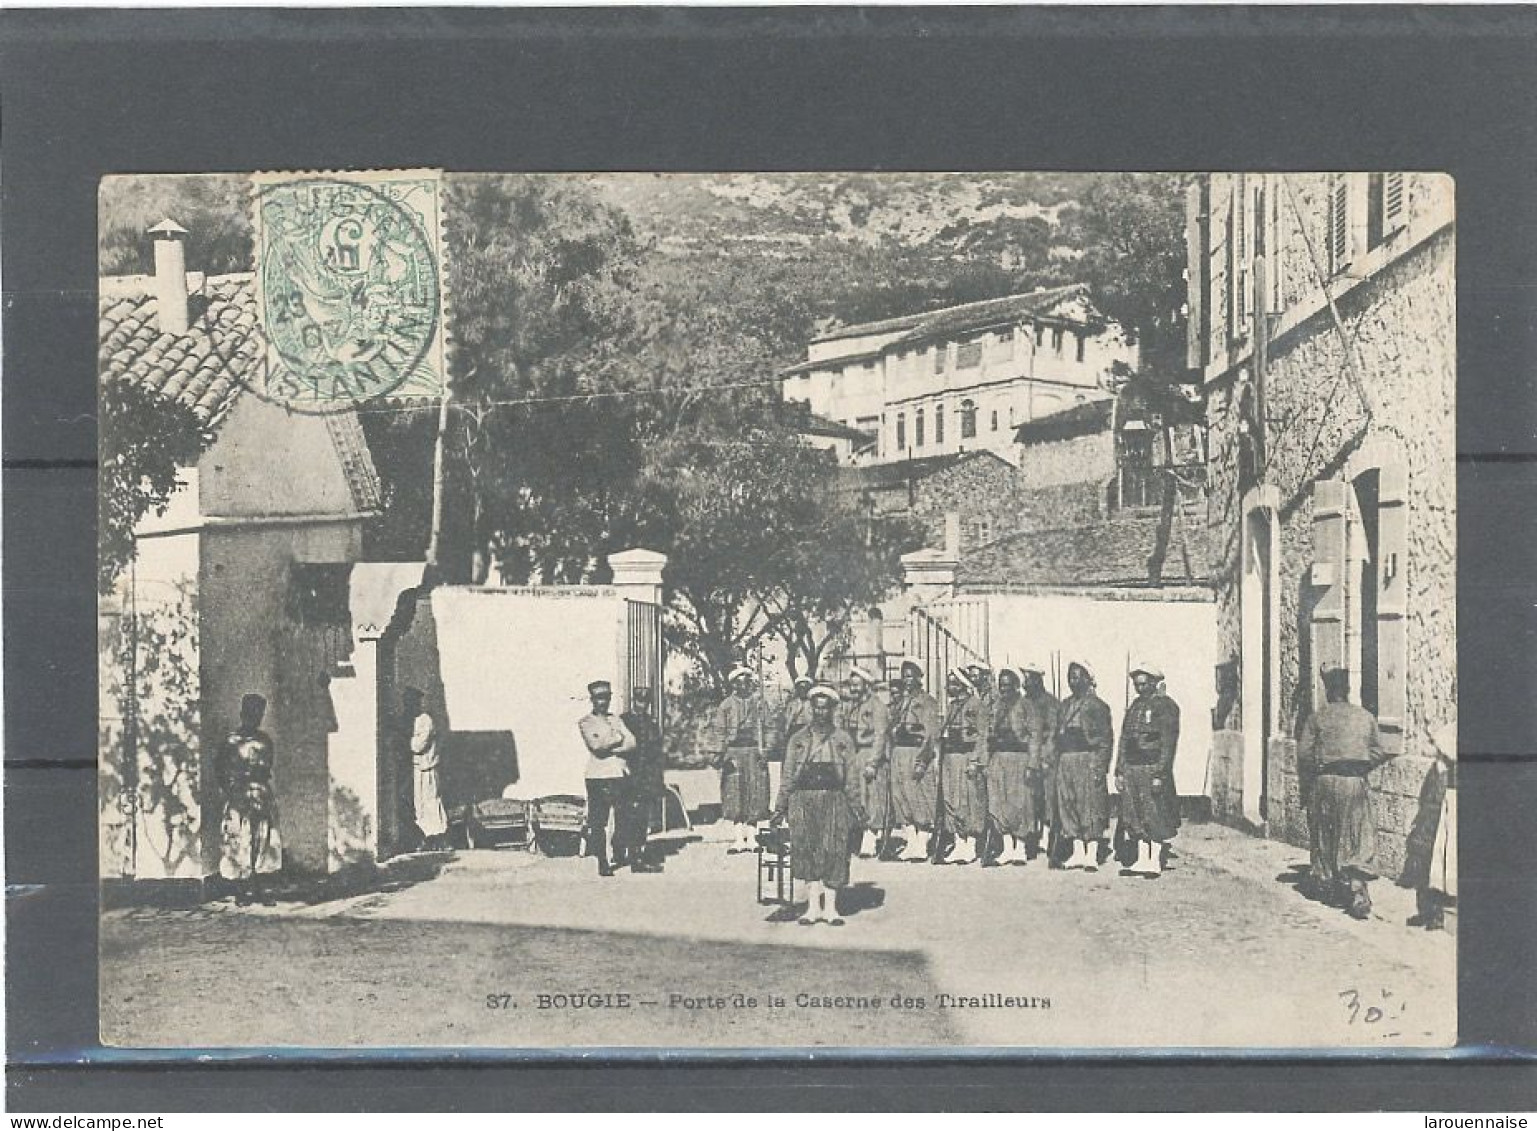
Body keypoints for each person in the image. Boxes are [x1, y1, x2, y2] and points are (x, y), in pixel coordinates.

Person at [1298, 666, 1396, 918]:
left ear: (1329, 690)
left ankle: (1328, 882)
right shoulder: (1364, 717)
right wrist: (1361, 763)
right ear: (1348, 690)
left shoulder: (1317, 717)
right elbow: (1380, 750)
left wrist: (1308, 785)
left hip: (1324, 780)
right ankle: (1356, 886)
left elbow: (1304, 755)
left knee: (1325, 832)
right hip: (1354, 779)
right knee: (1356, 832)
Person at [773, 684, 863, 926]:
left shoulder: (843, 739)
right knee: (807, 849)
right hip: (803, 798)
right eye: (816, 708)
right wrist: (779, 807)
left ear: (833, 709)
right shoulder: (798, 739)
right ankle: (812, 907)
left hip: (834, 798)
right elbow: (788, 774)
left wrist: (857, 807)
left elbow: (852, 776)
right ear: (811, 709)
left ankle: (831, 908)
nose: (820, 713)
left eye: (825, 708)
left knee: (834, 850)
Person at [1114, 663, 1181, 878]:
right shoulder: (1134, 707)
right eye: (1136, 684)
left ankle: (1154, 860)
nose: (1140, 688)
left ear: (1154, 683)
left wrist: (1160, 773)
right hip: (1132, 768)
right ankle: (1142, 859)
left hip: (1151, 767)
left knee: (1154, 813)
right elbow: (1124, 740)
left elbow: (1168, 743)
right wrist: (1120, 770)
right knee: (1134, 813)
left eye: (1144, 684)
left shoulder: (1165, 706)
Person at [217, 693, 283, 906]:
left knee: (262, 838)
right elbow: (219, 767)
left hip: (260, 794)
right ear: (243, 713)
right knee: (240, 838)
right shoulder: (231, 741)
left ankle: (261, 887)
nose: (256, 718)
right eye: (252, 713)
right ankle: (241, 889)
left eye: (259, 714)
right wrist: (230, 789)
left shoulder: (265, 741)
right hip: (239, 795)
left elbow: (267, 765)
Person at [710, 666, 780, 853]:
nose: (743, 685)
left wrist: (766, 749)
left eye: (747, 681)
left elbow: (770, 727)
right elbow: (719, 731)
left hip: (754, 752)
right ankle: (738, 838)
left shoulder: (760, 703)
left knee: (755, 792)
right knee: (735, 793)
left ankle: (752, 838)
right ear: (733, 684)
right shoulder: (726, 705)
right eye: (739, 681)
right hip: (733, 753)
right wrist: (718, 754)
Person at [1055, 662, 1115, 871]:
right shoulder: (1064, 705)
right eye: (1070, 677)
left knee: (1089, 806)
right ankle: (1077, 851)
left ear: (1089, 679)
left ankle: (1092, 853)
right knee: (1068, 805)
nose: (1073, 681)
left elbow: (1106, 740)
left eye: (1078, 677)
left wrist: (1100, 766)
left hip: (1086, 759)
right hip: (1066, 759)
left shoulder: (1098, 706)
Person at [929, 667, 990, 865]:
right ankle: (957, 841)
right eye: (949, 682)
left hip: (966, 756)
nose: (949, 687)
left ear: (963, 685)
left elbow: (982, 736)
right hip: (950, 758)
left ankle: (970, 844)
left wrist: (975, 761)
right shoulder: (952, 707)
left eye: (954, 683)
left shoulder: (976, 705)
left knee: (969, 801)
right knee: (951, 801)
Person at [577, 679, 636, 877]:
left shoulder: (617, 720)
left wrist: (610, 743)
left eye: (607, 698)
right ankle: (602, 861)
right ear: (592, 700)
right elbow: (596, 748)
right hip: (598, 776)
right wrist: (617, 738)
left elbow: (632, 744)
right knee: (598, 822)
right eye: (599, 698)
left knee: (623, 817)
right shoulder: (586, 722)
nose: (603, 702)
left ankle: (619, 852)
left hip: (619, 774)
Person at [889, 660, 940, 862]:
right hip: (899, 752)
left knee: (919, 798)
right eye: (904, 676)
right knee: (901, 798)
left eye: (910, 676)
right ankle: (911, 843)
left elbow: (930, 734)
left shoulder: (927, 701)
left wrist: (922, 760)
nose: (907, 680)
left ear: (920, 677)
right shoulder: (901, 701)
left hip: (915, 752)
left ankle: (922, 845)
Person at [984, 667, 1034, 866]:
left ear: (1016, 685)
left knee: (1019, 803)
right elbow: (987, 733)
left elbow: (1035, 736)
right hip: (998, 757)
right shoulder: (995, 706)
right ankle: (1006, 847)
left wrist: (1032, 763)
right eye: (1000, 685)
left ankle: (1020, 848)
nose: (1003, 689)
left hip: (1018, 757)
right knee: (998, 802)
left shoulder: (1026, 706)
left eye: (1007, 685)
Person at [839, 666, 890, 858]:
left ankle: (871, 837)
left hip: (869, 754)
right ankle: (858, 836)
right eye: (851, 685)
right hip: (855, 755)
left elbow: (880, 735)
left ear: (866, 685)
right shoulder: (852, 707)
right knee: (856, 797)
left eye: (857, 685)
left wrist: (873, 762)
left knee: (872, 798)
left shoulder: (877, 706)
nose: (853, 689)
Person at [618, 686, 666, 873]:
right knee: (625, 816)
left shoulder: (651, 723)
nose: (642, 705)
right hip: (628, 775)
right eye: (639, 701)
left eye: (645, 702)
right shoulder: (624, 721)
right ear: (634, 702)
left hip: (645, 777)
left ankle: (637, 853)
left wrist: (656, 779)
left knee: (642, 817)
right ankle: (621, 851)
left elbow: (655, 753)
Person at [1019, 662, 1060, 860]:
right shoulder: (1023, 702)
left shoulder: (1049, 703)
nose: (1026, 683)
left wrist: (1047, 757)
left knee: (1047, 797)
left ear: (1037, 679)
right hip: (1027, 754)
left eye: (1029, 678)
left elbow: (1052, 732)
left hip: (1045, 755)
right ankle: (1031, 834)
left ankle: (1046, 835)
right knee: (1030, 797)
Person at [404, 688, 448, 852]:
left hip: (428, 767)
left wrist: (406, 740)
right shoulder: (412, 720)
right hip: (418, 768)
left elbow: (418, 745)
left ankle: (439, 837)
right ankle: (427, 837)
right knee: (420, 804)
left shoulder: (425, 720)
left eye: (411, 702)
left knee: (432, 801)